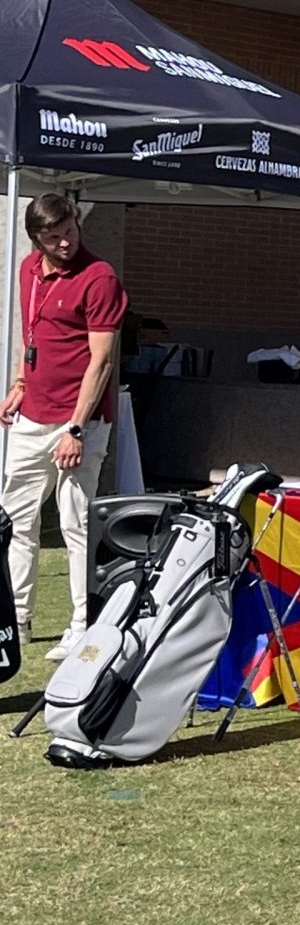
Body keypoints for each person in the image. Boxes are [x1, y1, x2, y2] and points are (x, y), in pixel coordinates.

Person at [0, 194, 128, 660]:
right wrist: (19, 382)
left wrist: (77, 428)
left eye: (70, 232)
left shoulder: (100, 278)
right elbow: (30, 333)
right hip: (32, 414)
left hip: (81, 420)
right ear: (38, 238)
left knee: (76, 522)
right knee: (14, 520)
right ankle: (15, 616)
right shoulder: (29, 270)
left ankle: (81, 623)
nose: (65, 242)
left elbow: (102, 360)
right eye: (53, 237)